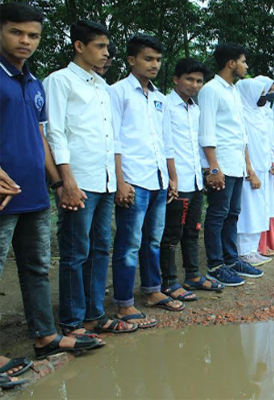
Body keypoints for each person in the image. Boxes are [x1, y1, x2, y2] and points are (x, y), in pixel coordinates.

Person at [0, 3, 102, 364]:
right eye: (16, 32)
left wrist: (58, 183)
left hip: (34, 194)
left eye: (33, 35)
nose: (25, 41)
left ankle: (45, 337)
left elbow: (41, 137)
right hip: (2, 196)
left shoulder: (33, 82)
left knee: (37, 267)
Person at [45, 20, 137, 337]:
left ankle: (94, 316)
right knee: (74, 254)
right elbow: (54, 132)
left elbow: (111, 137)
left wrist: (118, 180)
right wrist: (65, 181)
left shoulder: (102, 87)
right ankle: (72, 323)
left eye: (107, 47)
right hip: (79, 182)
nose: (106, 53)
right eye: (99, 46)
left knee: (100, 250)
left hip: (105, 181)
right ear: (79, 46)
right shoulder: (60, 81)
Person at [110, 34, 184, 329]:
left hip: (158, 179)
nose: (154, 65)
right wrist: (119, 181)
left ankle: (152, 290)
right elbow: (113, 140)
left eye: (158, 60)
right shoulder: (118, 92)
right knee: (129, 243)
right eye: (148, 59)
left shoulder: (160, 98)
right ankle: (124, 303)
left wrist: (173, 177)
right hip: (133, 179)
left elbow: (166, 142)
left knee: (153, 239)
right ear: (132, 60)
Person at [198, 43, 264, 285]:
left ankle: (231, 258)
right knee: (217, 214)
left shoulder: (234, 91)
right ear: (231, 63)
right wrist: (213, 168)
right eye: (244, 61)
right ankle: (215, 265)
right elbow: (206, 133)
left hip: (236, 165)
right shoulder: (210, 90)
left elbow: (241, 134)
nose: (246, 66)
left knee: (232, 214)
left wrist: (248, 166)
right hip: (221, 165)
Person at [159, 58, 224, 299]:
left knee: (193, 230)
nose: (194, 85)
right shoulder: (165, 105)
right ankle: (168, 281)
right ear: (176, 79)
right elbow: (166, 145)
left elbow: (198, 146)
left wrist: (208, 172)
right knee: (172, 233)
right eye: (189, 79)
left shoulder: (195, 109)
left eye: (199, 81)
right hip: (177, 182)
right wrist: (171, 178)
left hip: (196, 180)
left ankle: (194, 276)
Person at [236, 78, 274, 267]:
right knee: (248, 211)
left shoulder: (259, 113)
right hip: (249, 171)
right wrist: (251, 171)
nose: (263, 97)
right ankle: (243, 251)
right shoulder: (241, 114)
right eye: (259, 94)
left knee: (260, 210)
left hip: (263, 168)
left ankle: (252, 250)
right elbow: (244, 145)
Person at [255, 75, 274, 258]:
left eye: (273, 91)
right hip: (259, 163)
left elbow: (271, 141)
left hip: (271, 161)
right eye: (268, 91)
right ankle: (259, 246)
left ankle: (271, 242)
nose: (270, 95)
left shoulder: (269, 111)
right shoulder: (253, 113)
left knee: (271, 204)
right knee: (259, 205)